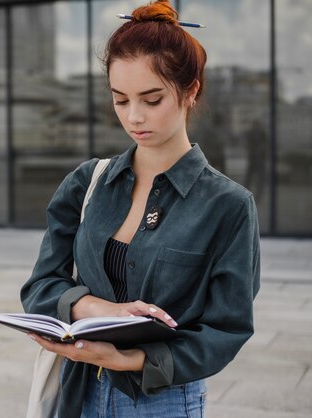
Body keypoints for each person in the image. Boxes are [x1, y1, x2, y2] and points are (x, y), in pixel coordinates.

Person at [20, 1, 261, 417]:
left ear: (191, 90)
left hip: (163, 401)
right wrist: (99, 310)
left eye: (152, 99)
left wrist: (130, 360)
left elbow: (227, 328)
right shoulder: (87, 183)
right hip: (78, 390)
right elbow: (41, 286)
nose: (134, 117)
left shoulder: (228, 205)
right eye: (120, 100)